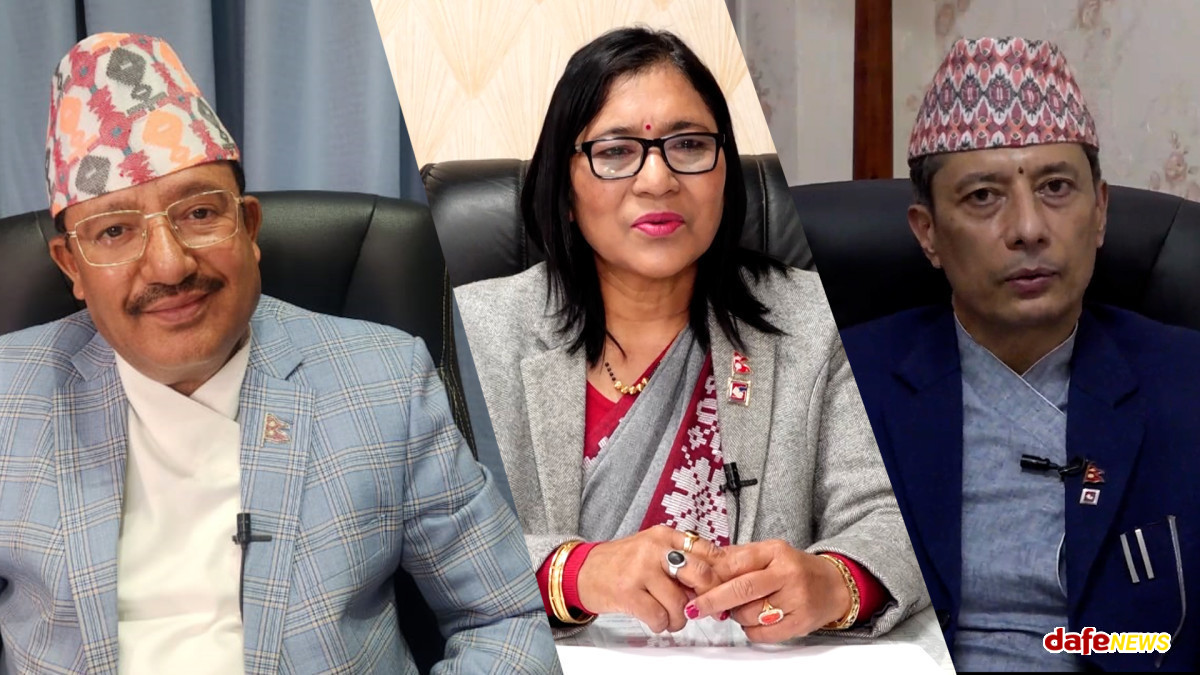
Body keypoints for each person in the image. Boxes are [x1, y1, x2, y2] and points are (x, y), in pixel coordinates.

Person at [0, 32, 559, 673]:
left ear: (249, 226)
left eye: (199, 213)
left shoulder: (386, 381)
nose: (169, 266)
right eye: (116, 231)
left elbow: (504, 615)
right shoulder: (7, 395)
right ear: (71, 265)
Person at [455, 27, 927, 642]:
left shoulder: (817, 320)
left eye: (688, 144)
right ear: (565, 187)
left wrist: (837, 582)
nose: (657, 180)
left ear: (724, 171)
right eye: (616, 151)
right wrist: (576, 573)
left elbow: (897, 514)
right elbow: (441, 540)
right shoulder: (474, 330)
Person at [840, 36, 1200, 671]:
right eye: (983, 196)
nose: (1029, 229)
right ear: (928, 233)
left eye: (1057, 187)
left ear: (1100, 212)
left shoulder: (1186, 378)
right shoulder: (846, 378)